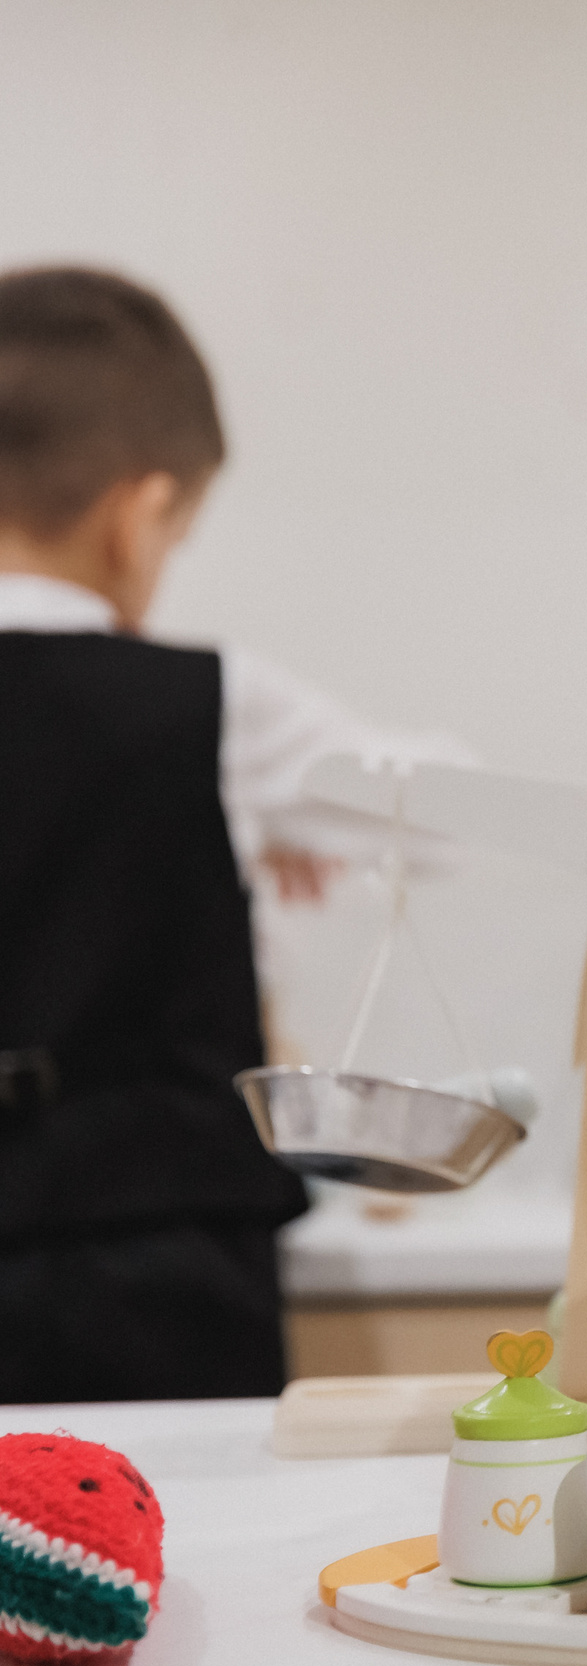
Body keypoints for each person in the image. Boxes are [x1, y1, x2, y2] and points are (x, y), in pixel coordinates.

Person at [0, 267, 462, 1403]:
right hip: (153, 1260)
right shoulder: (209, 707)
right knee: (164, 1516)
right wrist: (275, 813)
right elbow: (446, 809)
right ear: (139, 514)